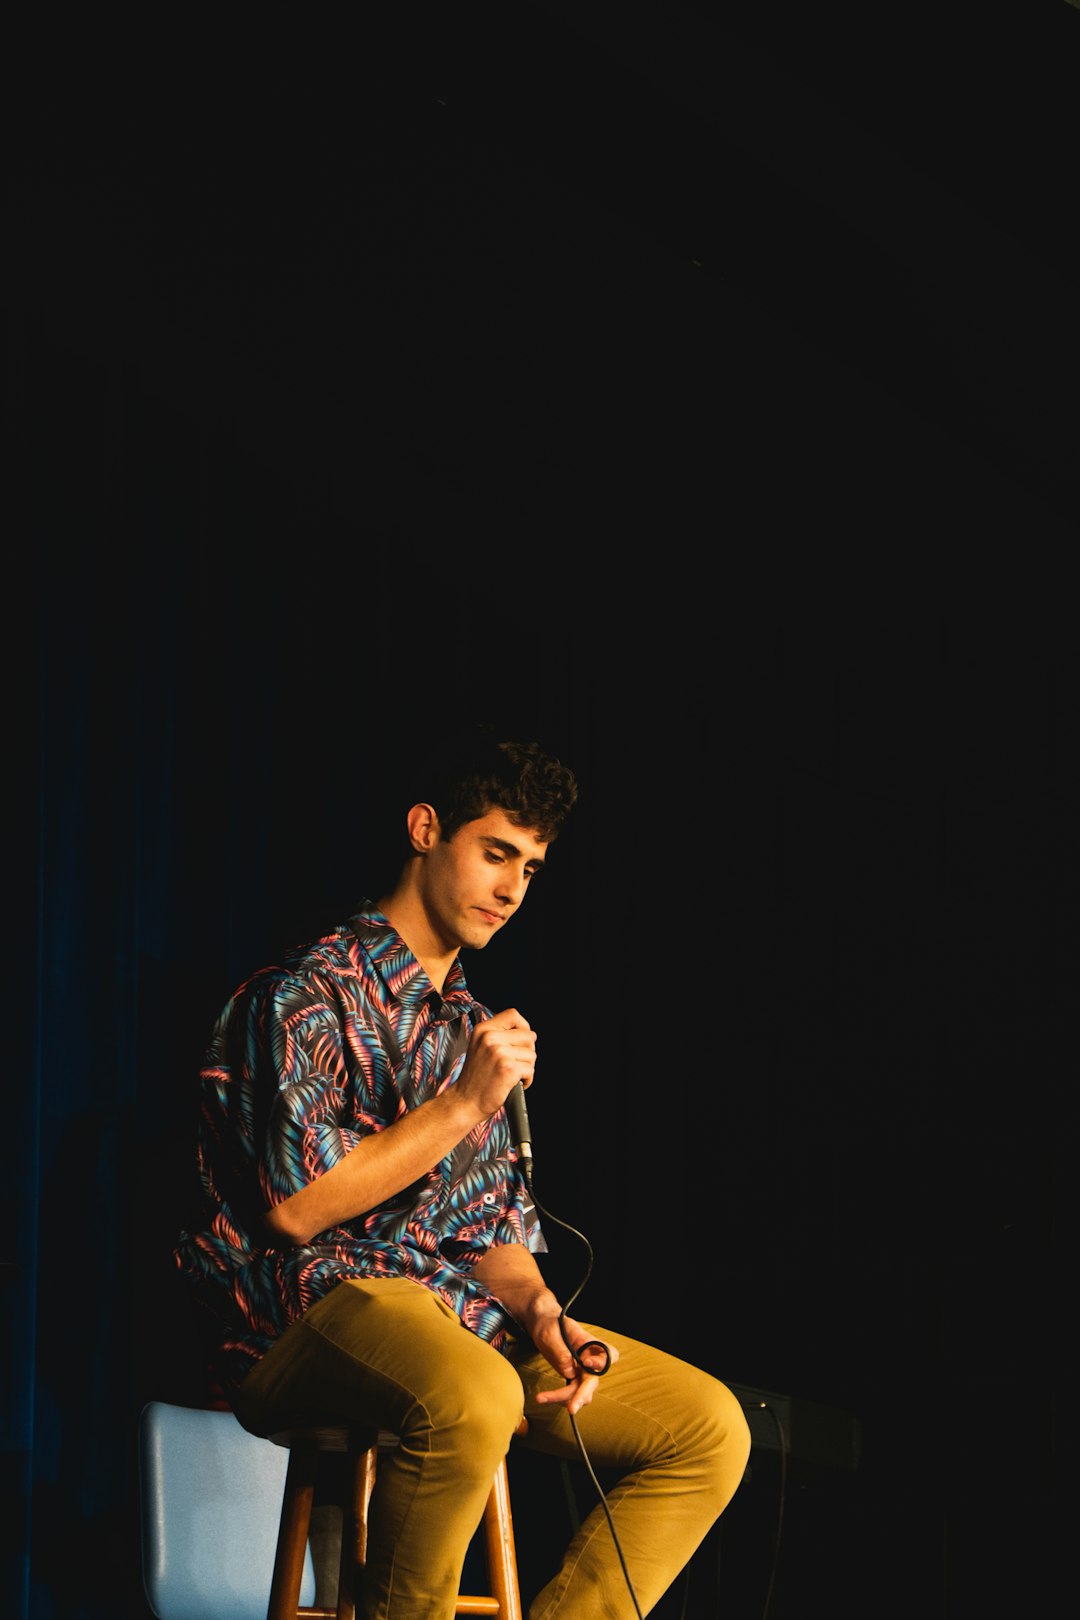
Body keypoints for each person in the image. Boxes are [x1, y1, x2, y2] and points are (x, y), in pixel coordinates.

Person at [174, 723, 751, 1619]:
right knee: (472, 1391)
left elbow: (491, 1235)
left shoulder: (471, 1030)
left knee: (706, 1427)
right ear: (423, 829)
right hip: (302, 1318)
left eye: (531, 867)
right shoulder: (302, 994)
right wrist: (461, 1105)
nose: (514, 888)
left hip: (455, 1322)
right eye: (495, 853)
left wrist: (540, 1310)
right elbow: (294, 1211)